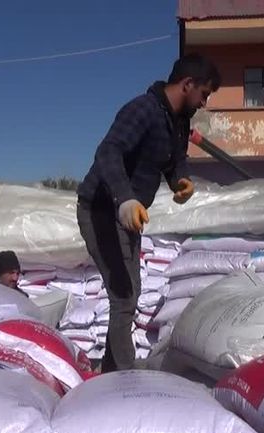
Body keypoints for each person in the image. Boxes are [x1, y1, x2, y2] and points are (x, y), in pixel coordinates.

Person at [75, 54, 220, 373]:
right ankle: (126, 381)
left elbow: (175, 159)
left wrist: (180, 179)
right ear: (188, 84)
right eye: (204, 94)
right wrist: (124, 198)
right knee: (123, 295)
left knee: (132, 290)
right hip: (101, 208)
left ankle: (112, 372)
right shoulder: (142, 109)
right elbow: (108, 152)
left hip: (129, 214)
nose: (204, 102)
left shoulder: (179, 120)